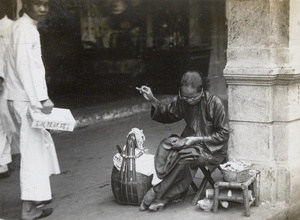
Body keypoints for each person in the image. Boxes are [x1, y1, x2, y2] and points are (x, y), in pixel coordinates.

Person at [137, 71, 229, 211]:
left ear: (202, 90)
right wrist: (152, 99)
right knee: (168, 146)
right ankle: (164, 192)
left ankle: (160, 194)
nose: (189, 100)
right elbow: (168, 113)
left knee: (185, 158)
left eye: (193, 98)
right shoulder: (184, 101)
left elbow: (223, 134)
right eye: (185, 97)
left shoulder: (215, 103)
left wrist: (197, 139)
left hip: (212, 148)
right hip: (189, 142)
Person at [4, 0, 60, 219]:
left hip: (20, 96)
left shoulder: (20, 26)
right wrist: (42, 99)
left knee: (38, 147)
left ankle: (37, 196)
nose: (43, 9)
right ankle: (28, 209)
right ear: (26, 4)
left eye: (46, 4)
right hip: (28, 99)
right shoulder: (26, 30)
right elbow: (26, 68)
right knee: (33, 152)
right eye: (38, 4)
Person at [0, 0, 17, 179]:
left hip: (10, 81)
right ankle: (2, 163)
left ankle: (8, 158)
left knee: (8, 120)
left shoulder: (12, 27)